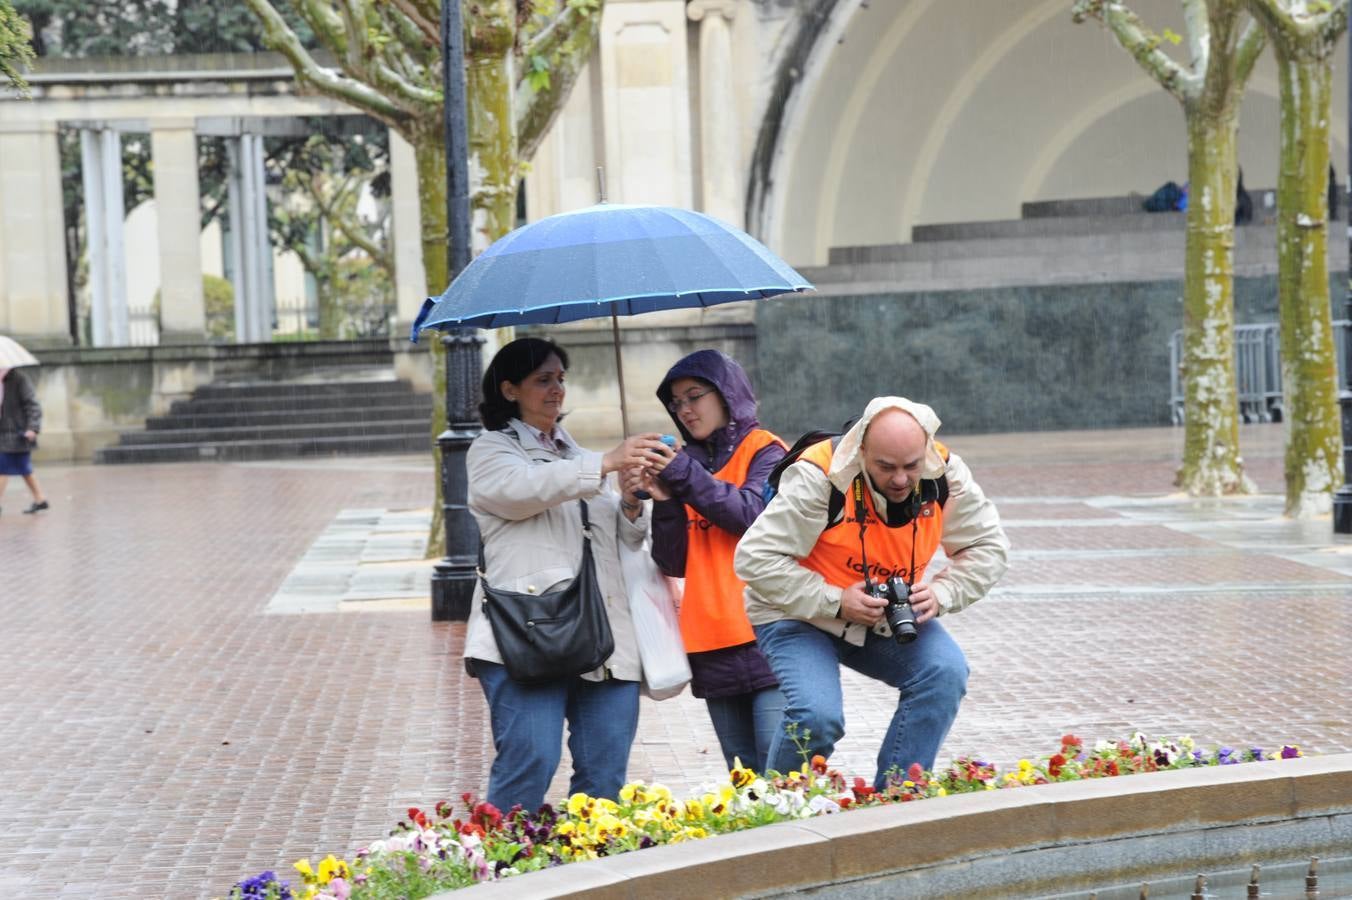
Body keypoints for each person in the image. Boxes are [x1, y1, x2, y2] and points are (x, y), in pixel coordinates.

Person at [733, 397, 1009, 789]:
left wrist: (943, 593)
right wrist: (836, 599)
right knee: (817, 716)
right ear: (862, 451)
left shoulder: (944, 473)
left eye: (911, 466)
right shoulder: (819, 476)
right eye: (886, 467)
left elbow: (989, 547)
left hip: (880, 614)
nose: (900, 479)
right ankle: (779, 815)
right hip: (798, 613)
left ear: (926, 450)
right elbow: (754, 559)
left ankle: (896, 800)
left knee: (943, 673)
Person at [464, 336, 674, 813]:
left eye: (561, 378)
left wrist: (629, 498)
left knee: (605, 777)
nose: (557, 389)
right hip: (529, 632)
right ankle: (506, 877)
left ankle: (590, 877)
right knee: (531, 762)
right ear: (510, 389)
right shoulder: (491, 451)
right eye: (543, 379)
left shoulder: (574, 453)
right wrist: (604, 463)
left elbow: (621, 540)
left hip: (602, 636)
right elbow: (521, 491)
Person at [627, 349, 787, 774]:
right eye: (676, 403)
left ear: (727, 395)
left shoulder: (767, 452)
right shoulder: (689, 464)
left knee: (781, 775)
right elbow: (673, 561)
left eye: (694, 396)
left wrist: (681, 473)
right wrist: (663, 503)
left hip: (769, 636)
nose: (685, 410)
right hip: (710, 643)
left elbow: (751, 514)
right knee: (747, 782)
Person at [0, 367, 49, 517]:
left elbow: (33, 404)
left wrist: (33, 427)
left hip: (17, 432)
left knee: (2, 467)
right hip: (4, 433)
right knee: (24, 468)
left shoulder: (19, 379)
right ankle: (40, 500)